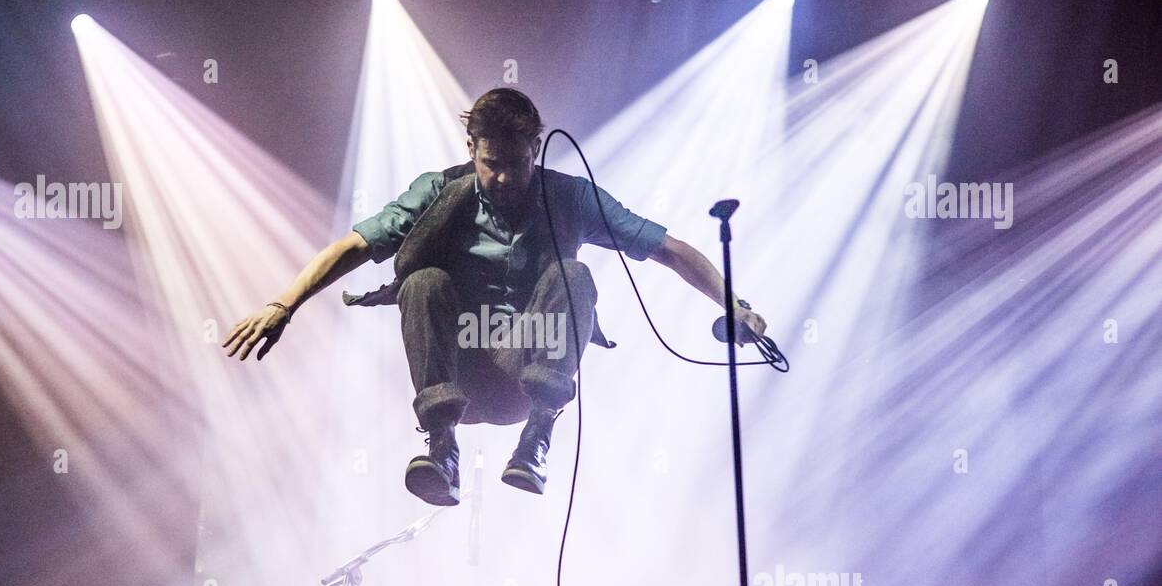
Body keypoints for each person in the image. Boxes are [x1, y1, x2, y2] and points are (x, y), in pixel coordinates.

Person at [224, 88, 766, 505]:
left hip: (527, 373)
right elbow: (354, 246)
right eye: (490, 164)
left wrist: (734, 304)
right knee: (422, 281)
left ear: (536, 148)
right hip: (457, 372)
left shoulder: (570, 197)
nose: (504, 177)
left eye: (517, 162)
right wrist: (284, 305)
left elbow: (668, 248)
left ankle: (536, 441)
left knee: (574, 276)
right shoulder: (440, 190)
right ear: (471, 151)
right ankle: (442, 450)